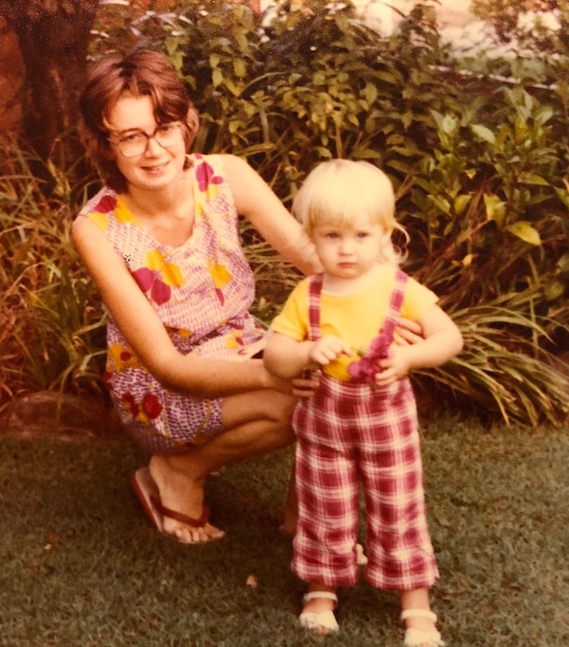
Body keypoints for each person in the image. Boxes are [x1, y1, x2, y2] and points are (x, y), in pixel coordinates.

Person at [70, 48, 321, 545]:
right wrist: (278, 370)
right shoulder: (96, 227)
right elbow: (166, 365)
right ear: (105, 145)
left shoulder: (225, 177)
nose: (154, 150)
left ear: (186, 125)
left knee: (333, 383)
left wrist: (398, 302)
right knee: (299, 400)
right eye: (131, 137)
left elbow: (309, 254)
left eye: (164, 128)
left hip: (237, 347)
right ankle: (179, 470)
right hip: (158, 390)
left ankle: (312, 521)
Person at [263, 159, 463, 646]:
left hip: (386, 420)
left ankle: (416, 607)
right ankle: (321, 591)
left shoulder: (399, 290)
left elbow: (449, 338)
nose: (346, 249)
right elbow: (274, 354)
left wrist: (411, 357)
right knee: (325, 504)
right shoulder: (307, 294)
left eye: (360, 235)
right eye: (331, 236)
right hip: (325, 423)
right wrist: (306, 352)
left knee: (398, 506)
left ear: (387, 235)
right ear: (311, 235)